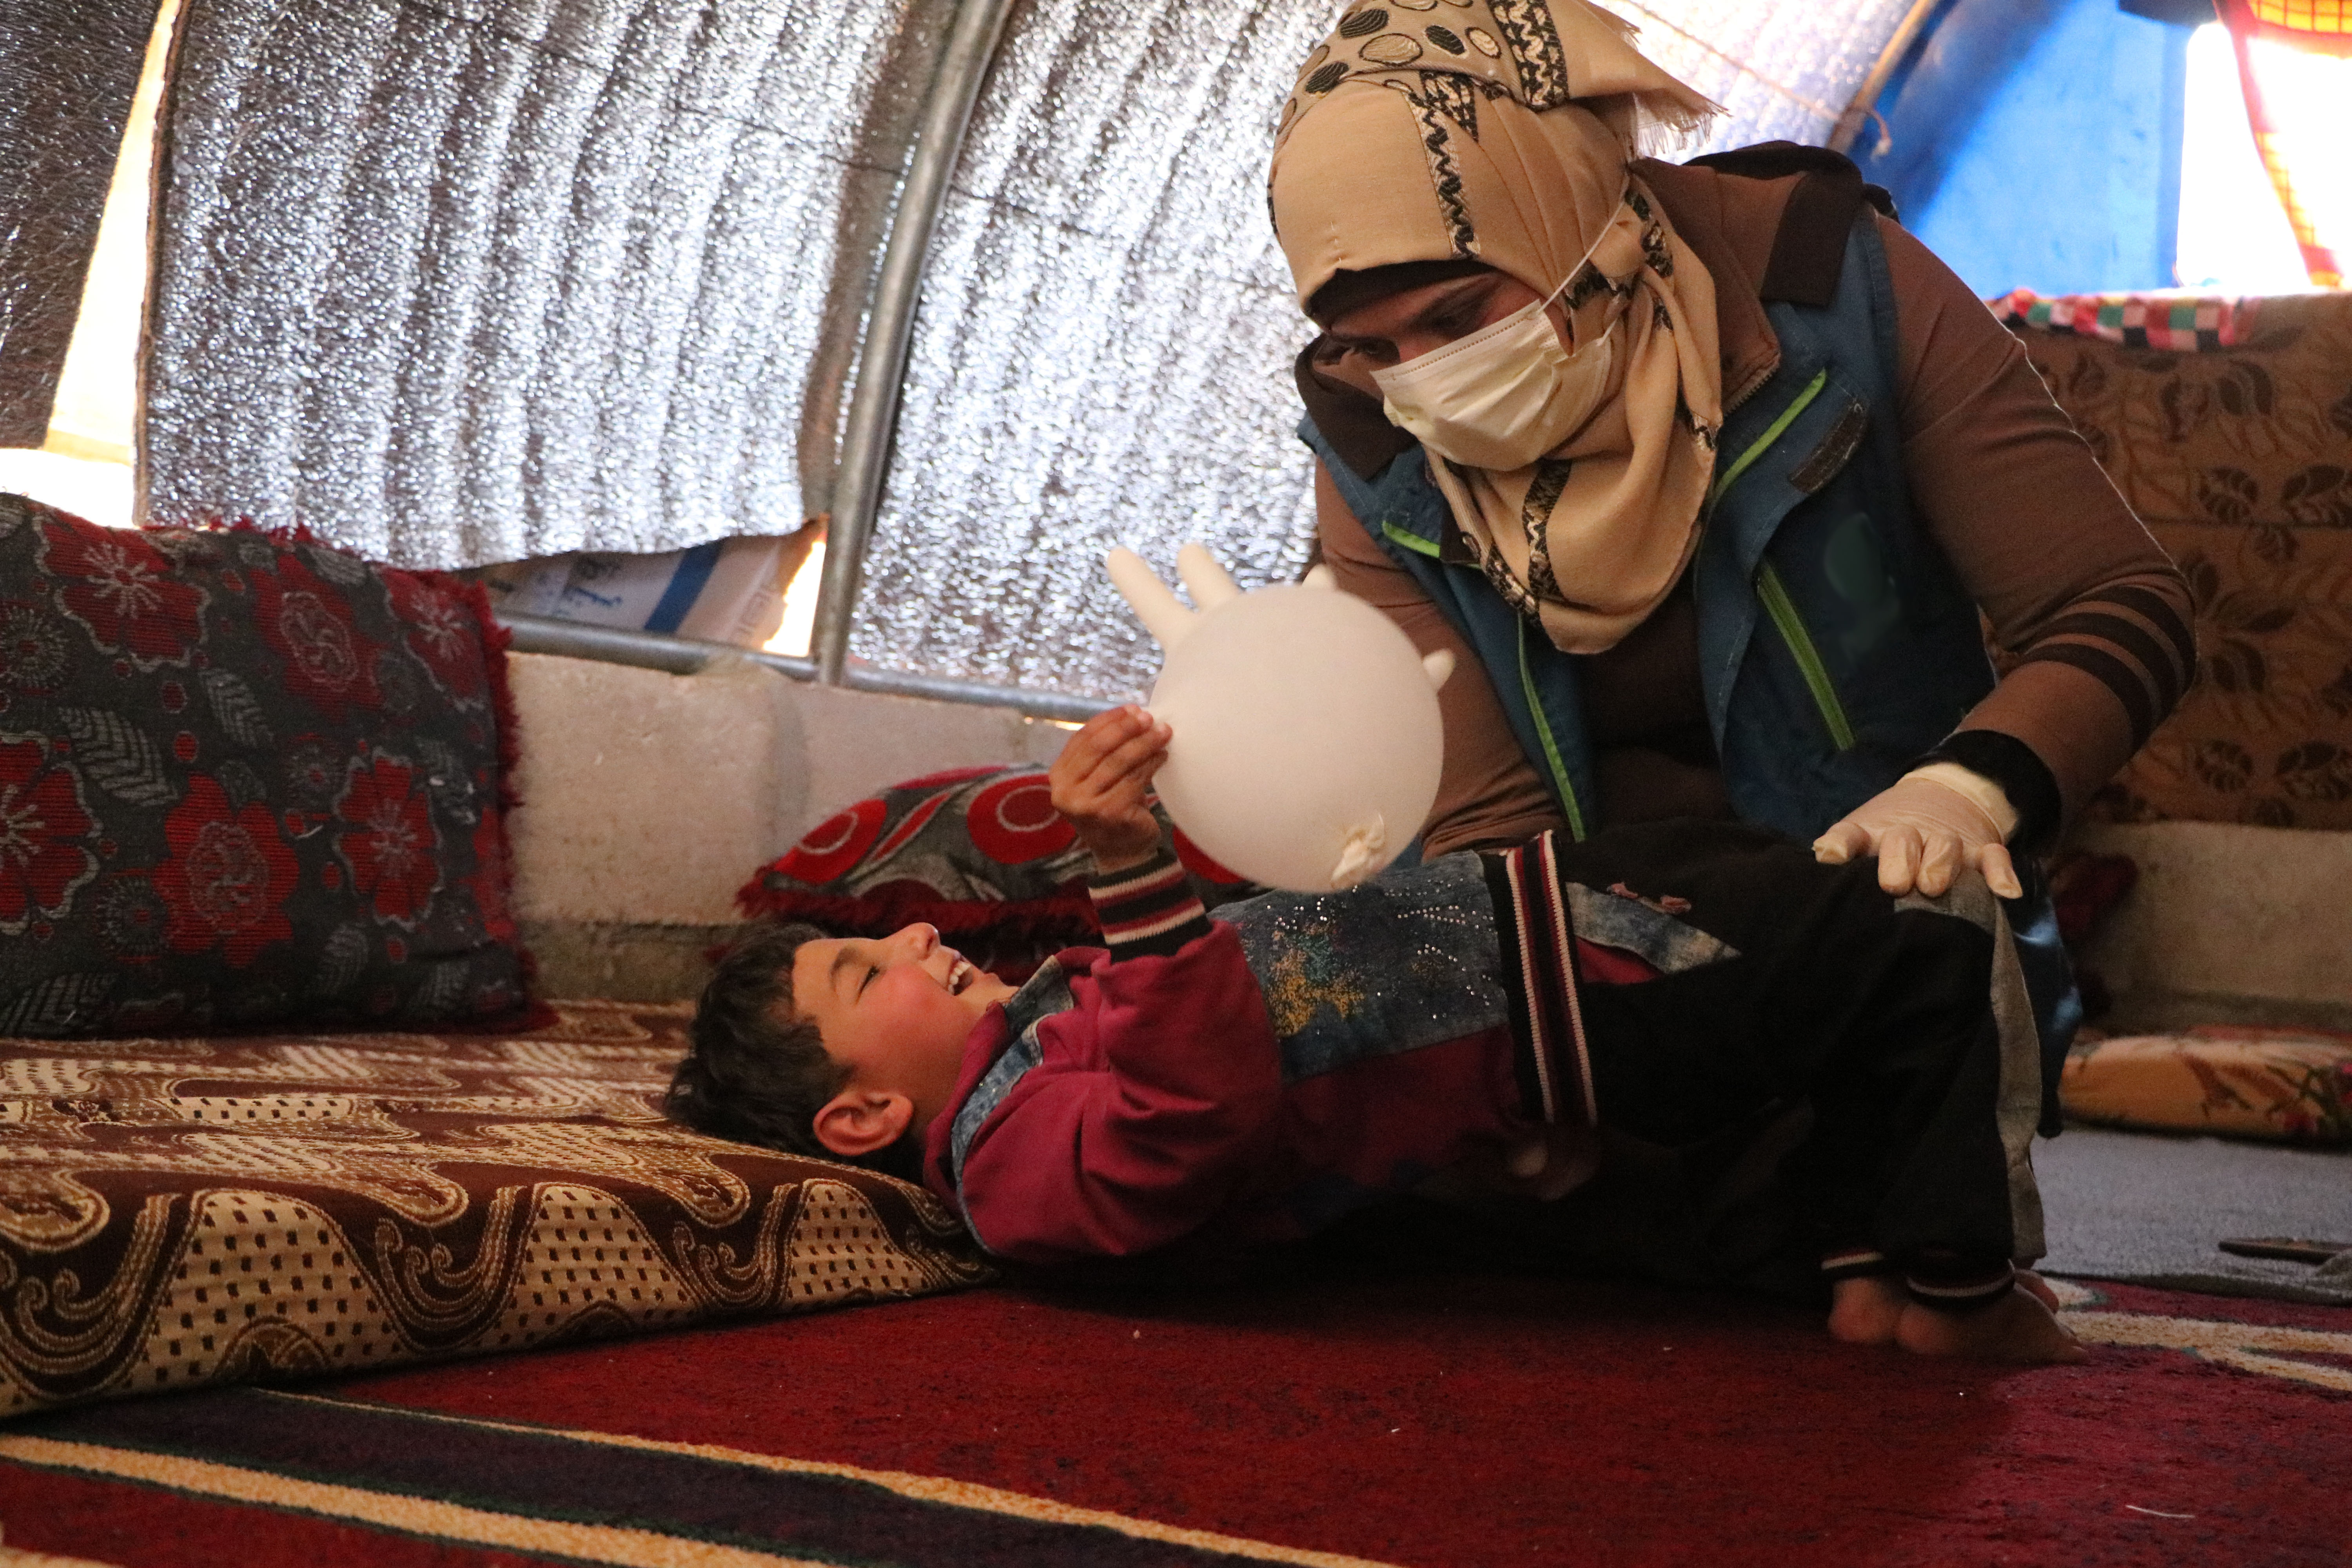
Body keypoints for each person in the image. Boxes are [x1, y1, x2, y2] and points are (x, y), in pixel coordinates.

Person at [1266, 0, 2195, 1113]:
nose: (1424, 379)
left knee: (1893, 1225)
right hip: (1592, 983)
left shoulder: (1834, 291)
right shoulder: (1373, 451)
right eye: (1375, 347)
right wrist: (1531, 1063)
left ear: (1564, 217)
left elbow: (2116, 602)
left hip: (1884, 932)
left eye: (1461, 316)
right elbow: (1482, 831)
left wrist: (1965, 793)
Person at [668, 706, 2082, 1364]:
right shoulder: (1015, 1173)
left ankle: (1853, 1262)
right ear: (857, 1119)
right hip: (1558, 1009)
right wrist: (1132, 876)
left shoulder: (1035, 1042)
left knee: (1781, 889)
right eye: (868, 973)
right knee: (1900, 949)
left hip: (1526, 937)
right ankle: (1953, 1292)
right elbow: (1192, 1114)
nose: (919, 935)